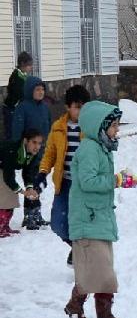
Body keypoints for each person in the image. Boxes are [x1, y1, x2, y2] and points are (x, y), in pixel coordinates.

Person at [65, 101, 137, 318]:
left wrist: (118, 180)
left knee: (104, 272)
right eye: (114, 125)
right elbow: (87, 182)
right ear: (99, 126)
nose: (117, 130)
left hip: (99, 218)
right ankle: (75, 306)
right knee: (93, 272)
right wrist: (115, 180)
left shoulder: (102, 148)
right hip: (87, 220)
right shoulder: (89, 149)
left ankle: (105, 316)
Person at [37, 85, 91, 261]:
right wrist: (42, 172)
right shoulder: (58, 127)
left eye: (84, 106)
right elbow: (50, 154)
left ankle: (85, 253)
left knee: (84, 222)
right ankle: (76, 247)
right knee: (58, 224)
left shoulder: (91, 127)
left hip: (84, 184)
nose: (81, 110)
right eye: (77, 106)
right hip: (65, 183)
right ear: (68, 107)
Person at [10, 75, 51, 228]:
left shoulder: (44, 107)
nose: (41, 92)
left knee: (37, 181)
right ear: (29, 90)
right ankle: (31, 215)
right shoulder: (23, 107)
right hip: (27, 151)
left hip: (40, 150)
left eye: (42, 89)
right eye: (37, 89)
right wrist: (19, 148)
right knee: (31, 181)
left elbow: (48, 126)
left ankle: (34, 215)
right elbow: (16, 130)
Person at [0, 129, 44, 237]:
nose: (37, 146)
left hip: (4, 168)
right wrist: (22, 192)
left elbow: (28, 172)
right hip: (3, 167)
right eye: (34, 142)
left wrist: (29, 188)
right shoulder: (12, 150)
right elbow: (8, 177)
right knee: (7, 197)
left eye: (39, 143)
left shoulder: (33, 154)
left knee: (11, 197)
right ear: (25, 141)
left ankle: (4, 226)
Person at [4, 51, 33, 138]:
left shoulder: (23, 75)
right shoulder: (16, 76)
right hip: (11, 109)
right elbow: (20, 94)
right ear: (22, 64)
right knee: (12, 133)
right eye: (29, 65)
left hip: (17, 108)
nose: (31, 67)